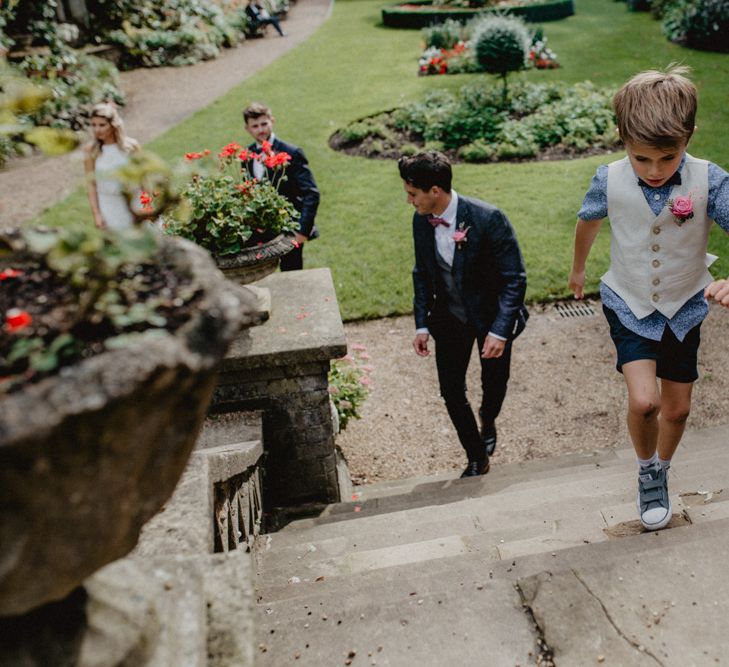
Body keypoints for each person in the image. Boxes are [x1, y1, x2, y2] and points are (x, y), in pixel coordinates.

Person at [568, 65, 729, 531]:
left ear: (688, 137)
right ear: (622, 139)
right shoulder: (608, 178)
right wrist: (579, 267)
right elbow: (588, 220)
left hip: (685, 306)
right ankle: (647, 475)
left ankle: (663, 466)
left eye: (668, 158)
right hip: (629, 301)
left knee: (677, 409)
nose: (655, 171)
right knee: (645, 402)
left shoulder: (710, 180)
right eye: (642, 159)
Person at [401, 151, 528, 478]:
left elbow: (515, 278)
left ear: (435, 191)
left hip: (490, 319)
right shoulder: (421, 220)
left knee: (494, 385)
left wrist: (500, 331)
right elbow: (421, 273)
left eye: (412, 194)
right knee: (451, 390)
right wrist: (421, 324)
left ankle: (489, 417)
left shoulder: (489, 218)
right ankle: (476, 456)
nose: (408, 201)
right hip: (449, 318)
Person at [243, 102, 320, 271]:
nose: (260, 129)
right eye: (255, 126)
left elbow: (311, 193)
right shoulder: (246, 156)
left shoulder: (292, 153)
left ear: (272, 121)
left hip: (289, 230)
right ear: (247, 129)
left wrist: (302, 231)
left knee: (291, 275)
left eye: (264, 123)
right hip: (259, 233)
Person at [83, 102, 140, 231]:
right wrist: (97, 214)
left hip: (134, 202)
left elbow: (143, 176)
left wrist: (149, 202)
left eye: (102, 125)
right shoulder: (91, 151)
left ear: (113, 125)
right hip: (108, 205)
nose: (97, 130)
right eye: (94, 125)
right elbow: (91, 184)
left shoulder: (131, 146)